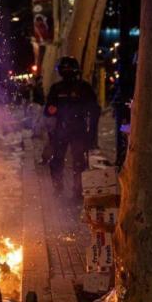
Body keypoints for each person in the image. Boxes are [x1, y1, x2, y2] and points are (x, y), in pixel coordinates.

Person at [44, 56, 100, 198]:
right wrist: (52, 110)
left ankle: (78, 188)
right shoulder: (56, 89)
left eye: (69, 69)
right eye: (65, 69)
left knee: (79, 161)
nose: (67, 72)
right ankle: (58, 185)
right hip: (61, 129)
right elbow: (48, 110)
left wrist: (92, 133)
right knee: (58, 159)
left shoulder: (84, 88)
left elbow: (94, 110)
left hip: (78, 130)